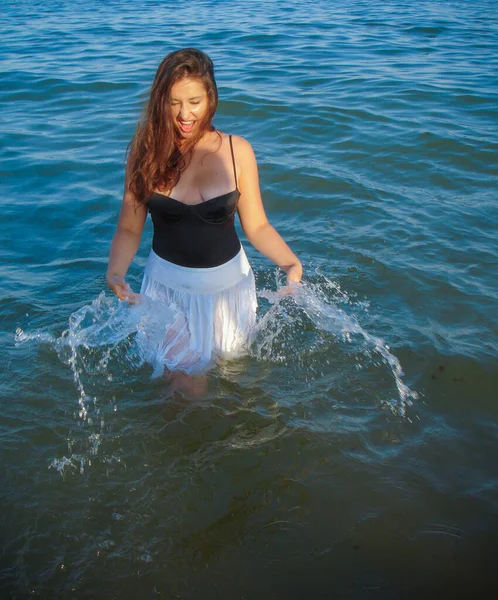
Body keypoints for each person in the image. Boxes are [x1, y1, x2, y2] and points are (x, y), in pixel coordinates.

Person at [106, 48, 302, 376]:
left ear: (210, 98)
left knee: (231, 385)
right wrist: (115, 273)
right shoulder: (145, 155)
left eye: (194, 102)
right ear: (161, 102)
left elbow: (258, 226)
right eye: (174, 102)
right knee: (183, 388)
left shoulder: (236, 151)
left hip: (230, 291)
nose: (185, 115)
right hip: (166, 294)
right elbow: (128, 228)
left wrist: (291, 263)